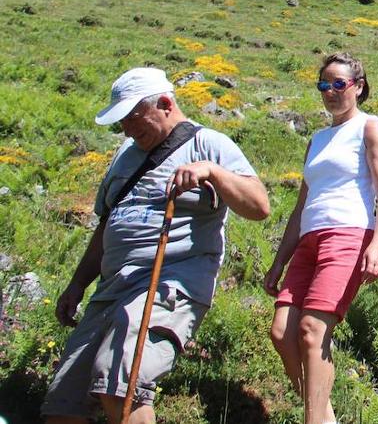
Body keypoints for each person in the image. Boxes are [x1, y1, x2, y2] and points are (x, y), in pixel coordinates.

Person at [43, 68, 270, 424]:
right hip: (111, 288)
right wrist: (77, 283)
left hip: (167, 283)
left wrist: (212, 172)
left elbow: (259, 206)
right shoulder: (125, 154)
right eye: (122, 124)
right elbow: (107, 225)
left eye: (133, 119)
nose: (128, 131)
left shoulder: (208, 144)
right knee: (62, 402)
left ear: (165, 104)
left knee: (122, 379)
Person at [264, 53, 378, 424]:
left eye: (339, 84)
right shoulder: (318, 139)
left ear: (358, 86)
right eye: (324, 85)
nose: (331, 91)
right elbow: (300, 206)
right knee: (281, 332)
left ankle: (314, 420)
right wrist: (279, 261)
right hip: (308, 240)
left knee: (312, 330)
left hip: (349, 234)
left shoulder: (370, 127)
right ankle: (323, 416)